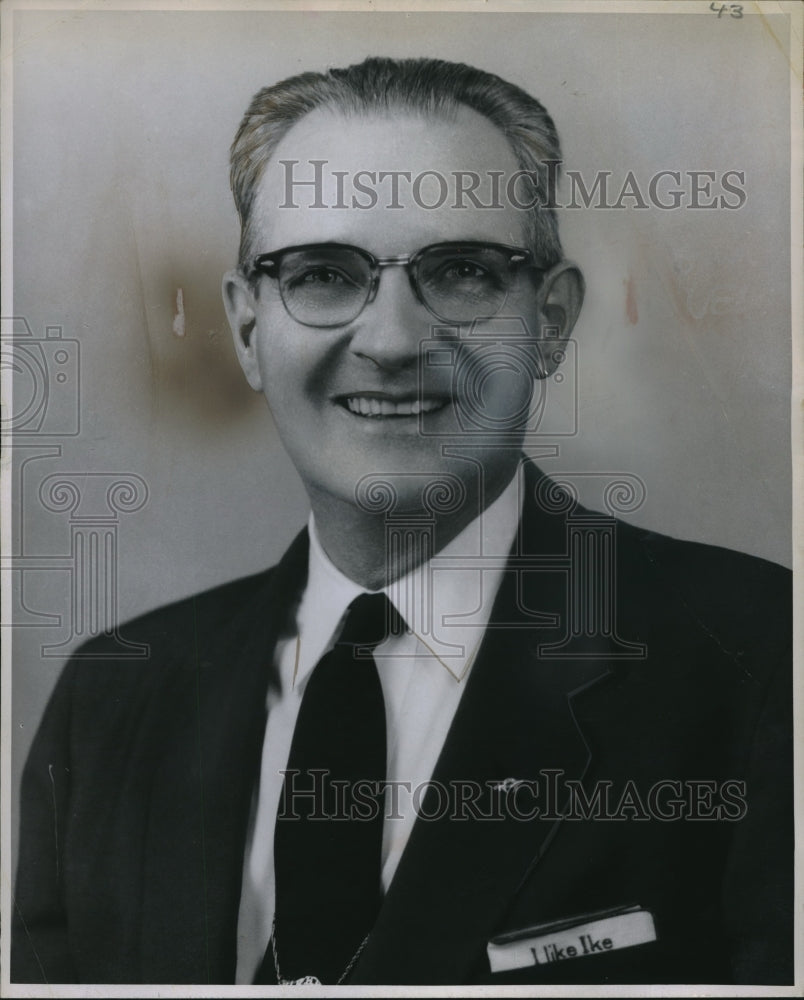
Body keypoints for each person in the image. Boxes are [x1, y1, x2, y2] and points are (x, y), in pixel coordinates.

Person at [12, 57, 792, 986]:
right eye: (322, 274)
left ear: (550, 321)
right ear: (249, 329)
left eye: (461, 272)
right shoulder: (109, 707)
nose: (388, 341)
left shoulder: (761, 661)